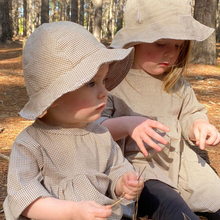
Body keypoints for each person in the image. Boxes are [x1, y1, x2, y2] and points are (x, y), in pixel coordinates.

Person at [3, 21, 144, 220]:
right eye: (91, 84)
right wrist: (72, 212)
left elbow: (115, 169)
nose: (104, 92)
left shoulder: (100, 135)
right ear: (54, 97)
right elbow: (24, 198)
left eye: (104, 81)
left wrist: (125, 182)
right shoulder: (31, 143)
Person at [98, 0, 220, 219]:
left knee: (215, 196)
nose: (170, 54)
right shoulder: (113, 82)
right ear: (134, 42)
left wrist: (199, 126)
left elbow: (190, 113)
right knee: (174, 209)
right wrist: (127, 125)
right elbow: (96, 129)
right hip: (139, 168)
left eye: (177, 46)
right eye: (161, 44)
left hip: (183, 165)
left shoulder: (176, 84)